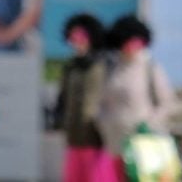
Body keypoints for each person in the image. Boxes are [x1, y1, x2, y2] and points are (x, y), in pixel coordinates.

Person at [96, 16, 173, 165]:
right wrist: (103, 123)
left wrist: (149, 124)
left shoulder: (151, 68)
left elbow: (167, 103)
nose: (132, 46)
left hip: (143, 144)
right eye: (128, 41)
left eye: (137, 42)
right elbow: (101, 101)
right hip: (114, 144)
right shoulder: (111, 69)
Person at [56, 14, 115, 182]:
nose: (76, 41)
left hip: (98, 140)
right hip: (74, 138)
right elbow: (63, 98)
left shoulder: (104, 65)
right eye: (72, 37)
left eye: (81, 36)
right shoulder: (70, 67)